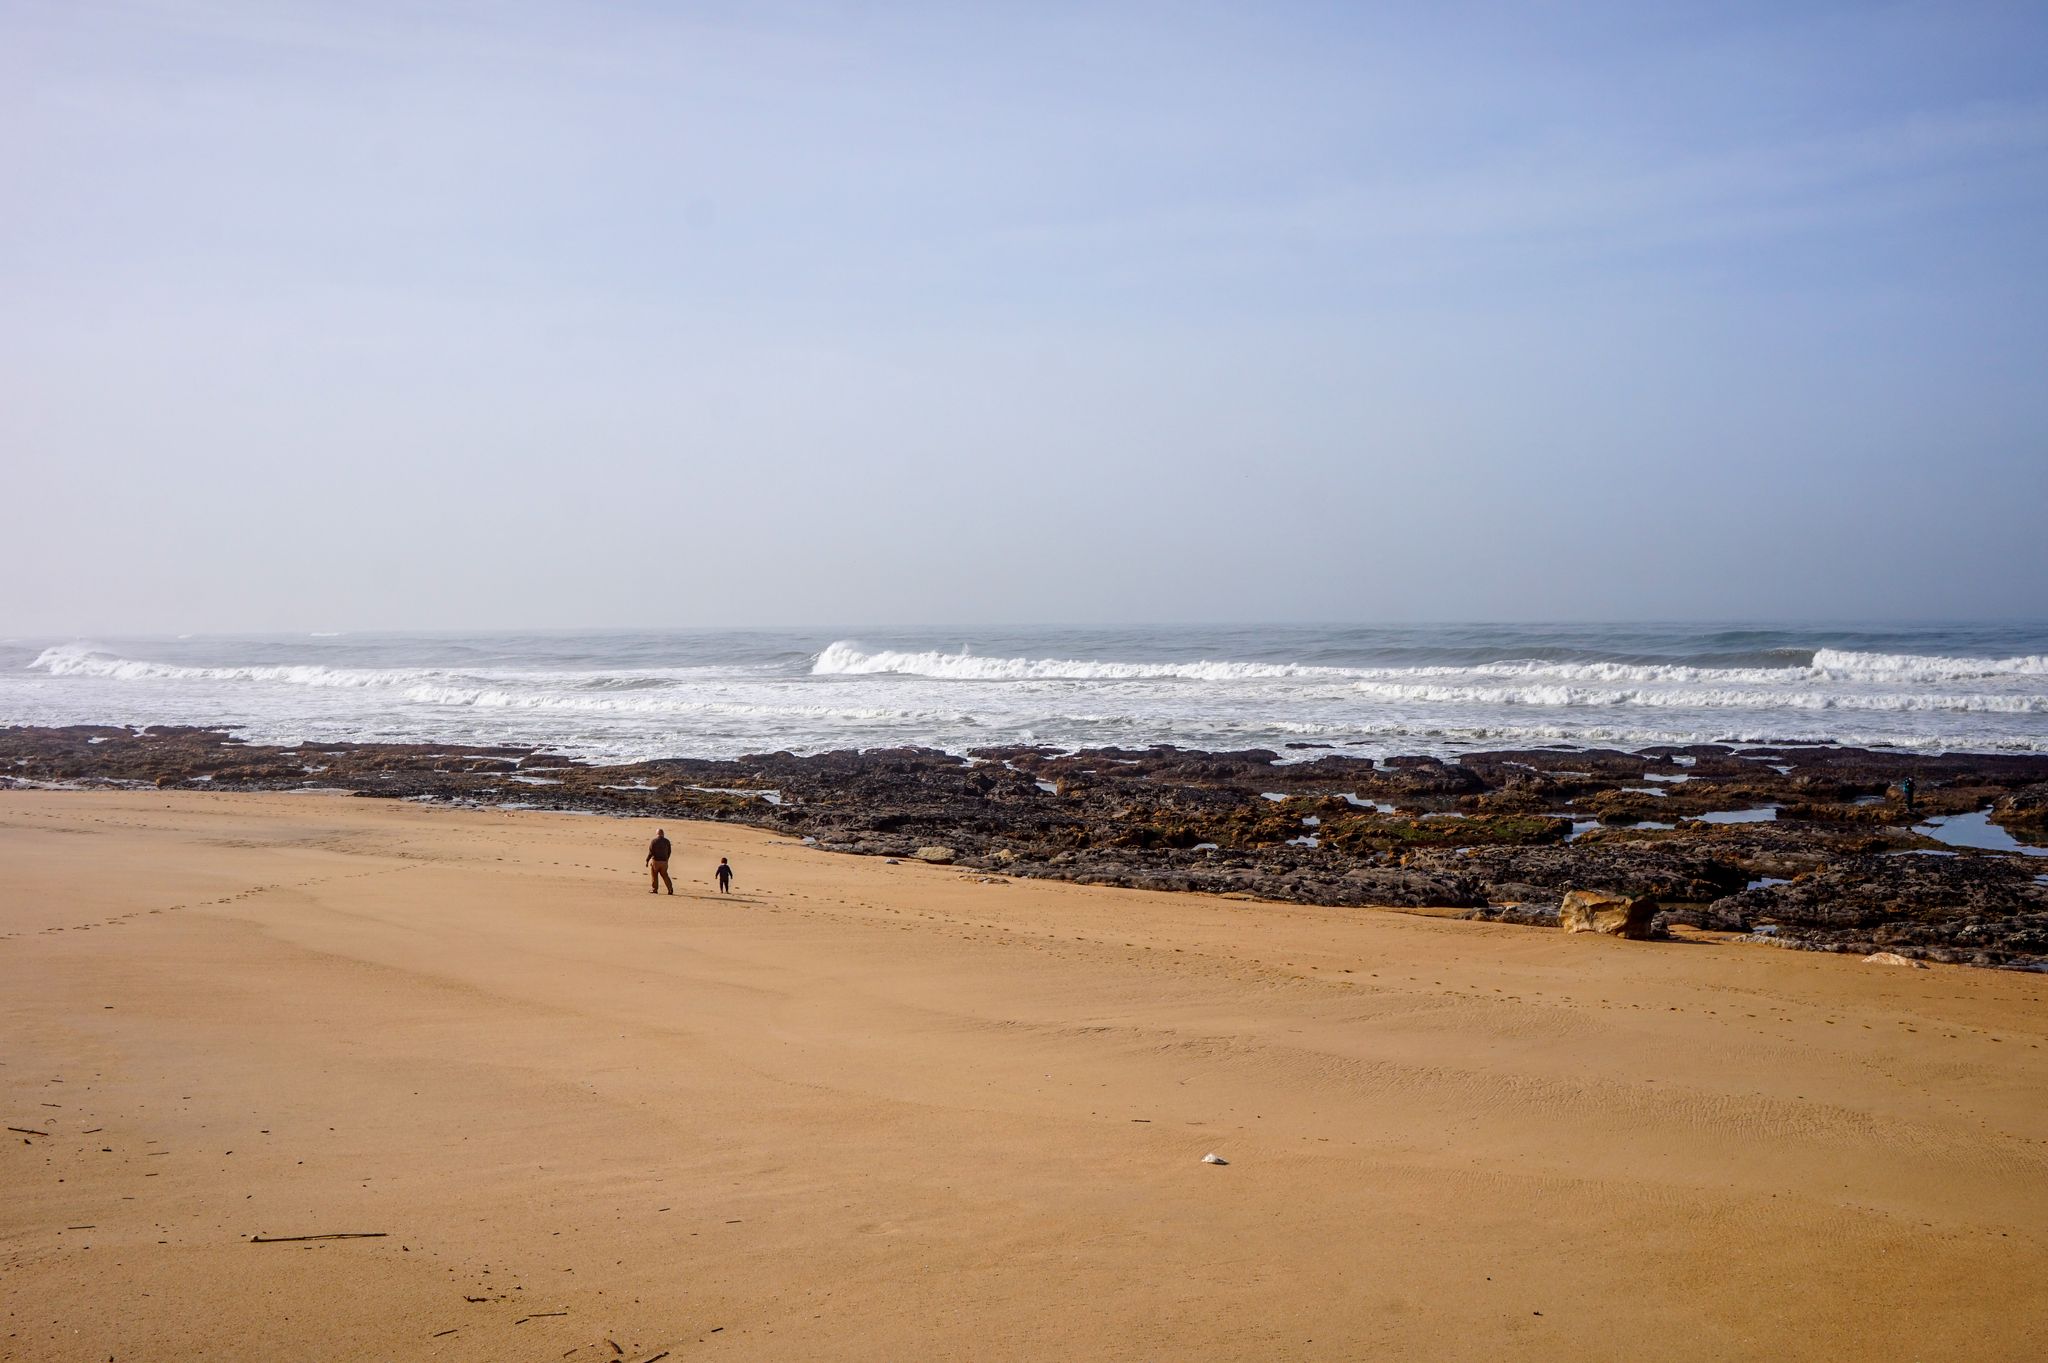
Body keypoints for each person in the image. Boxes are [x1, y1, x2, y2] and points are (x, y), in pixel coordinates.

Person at [646, 828, 674, 895]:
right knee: (665, 875)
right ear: (663, 834)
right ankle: (670, 889)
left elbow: (651, 852)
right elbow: (669, 852)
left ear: (657, 834)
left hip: (656, 861)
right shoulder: (667, 841)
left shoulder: (654, 841)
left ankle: (654, 889)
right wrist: (667, 859)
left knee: (654, 875)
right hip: (664, 862)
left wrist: (647, 860)